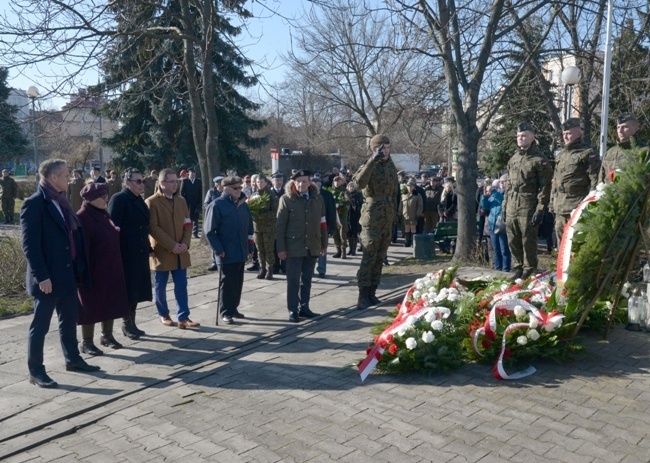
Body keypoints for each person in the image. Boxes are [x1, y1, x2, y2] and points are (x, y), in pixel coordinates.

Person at [21, 159, 99, 389]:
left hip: (66, 274)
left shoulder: (61, 201)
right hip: (48, 278)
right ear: (53, 177)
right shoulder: (34, 204)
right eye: (65, 175)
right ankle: (36, 371)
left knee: (68, 321)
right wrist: (41, 276)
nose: (70, 178)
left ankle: (73, 359)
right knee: (41, 326)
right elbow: (30, 246)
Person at [76, 183, 130, 355]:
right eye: (102, 196)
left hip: (110, 266)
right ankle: (86, 342)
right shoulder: (83, 217)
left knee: (111, 301)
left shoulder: (103, 213)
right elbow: (82, 248)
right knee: (90, 306)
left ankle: (107, 335)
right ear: (91, 199)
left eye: (106, 195)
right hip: (94, 269)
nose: (106, 198)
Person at [146, 168, 199, 329]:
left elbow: (188, 223)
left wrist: (185, 243)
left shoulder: (181, 201)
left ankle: (183, 317)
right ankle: (164, 314)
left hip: (181, 252)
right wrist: (172, 245)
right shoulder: (151, 202)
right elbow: (153, 228)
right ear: (162, 183)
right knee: (160, 286)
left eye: (177, 181)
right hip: (162, 253)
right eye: (172, 181)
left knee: (181, 285)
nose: (175, 184)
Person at [353, 134, 398, 310]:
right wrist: (372, 160)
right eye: (382, 148)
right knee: (369, 257)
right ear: (374, 149)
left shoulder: (390, 166)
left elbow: (394, 193)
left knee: (380, 257)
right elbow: (358, 183)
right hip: (372, 219)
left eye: (388, 147)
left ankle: (372, 293)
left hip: (387, 217)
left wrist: (395, 214)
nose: (385, 151)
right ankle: (362, 296)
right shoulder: (368, 165)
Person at [276, 170, 328, 322]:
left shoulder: (317, 199)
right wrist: (281, 248)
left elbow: (323, 223)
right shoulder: (286, 199)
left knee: (307, 280)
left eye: (304, 181)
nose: (300, 184)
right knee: (293, 281)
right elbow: (280, 226)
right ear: (293, 183)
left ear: (309, 183)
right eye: (297, 181)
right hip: (293, 247)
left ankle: (304, 308)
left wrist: (323, 244)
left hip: (312, 245)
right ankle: (293, 310)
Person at [502, 122, 553, 280]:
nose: (520, 139)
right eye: (518, 136)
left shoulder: (539, 159)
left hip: (528, 203)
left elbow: (545, 186)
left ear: (532, 137)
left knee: (527, 238)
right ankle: (517, 267)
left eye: (524, 136)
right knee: (512, 237)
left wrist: (540, 209)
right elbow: (509, 184)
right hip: (512, 203)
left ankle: (529, 269)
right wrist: (504, 206)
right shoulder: (514, 158)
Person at [107, 168, 153, 340]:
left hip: (139, 250)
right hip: (126, 252)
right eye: (138, 181)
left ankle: (132, 322)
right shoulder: (119, 199)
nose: (142, 184)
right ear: (127, 182)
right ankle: (126, 323)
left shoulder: (138, 199)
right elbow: (113, 227)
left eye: (143, 181)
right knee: (128, 289)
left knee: (136, 289)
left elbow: (143, 226)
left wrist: (148, 247)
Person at [204, 176, 254, 324]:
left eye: (240, 187)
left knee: (238, 282)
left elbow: (249, 227)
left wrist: (250, 246)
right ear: (226, 189)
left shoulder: (243, 204)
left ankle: (233, 308)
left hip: (241, 250)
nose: (239, 190)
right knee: (227, 283)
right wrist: (219, 249)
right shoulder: (217, 205)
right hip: (226, 251)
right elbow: (209, 232)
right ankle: (225, 311)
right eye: (236, 188)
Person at [600, 114, 648, 183]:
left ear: (635, 128)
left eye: (625, 127)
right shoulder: (610, 152)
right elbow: (601, 178)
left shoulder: (644, 151)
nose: (620, 131)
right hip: (608, 192)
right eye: (618, 127)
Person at [250, 174, 279, 280]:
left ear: (266, 183)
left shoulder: (271, 195)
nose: (260, 184)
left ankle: (270, 270)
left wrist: (261, 216)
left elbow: (275, 212)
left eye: (262, 182)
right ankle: (262, 269)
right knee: (259, 250)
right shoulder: (254, 195)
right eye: (258, 182)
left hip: (268, 228)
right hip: (257, 228)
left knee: (268, 249)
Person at [481, 179, 511, 272]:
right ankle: (498, 269)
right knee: (496, 250)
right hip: (492, 225)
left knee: (504, 250)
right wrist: (484, 197)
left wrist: (493, 191)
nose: (501, 184)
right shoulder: (495, 193)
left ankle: (506, 270)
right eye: (500, 182)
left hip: (502, 225)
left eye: (504, 182)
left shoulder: (508, 194)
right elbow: (486, 206)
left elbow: (502, 200)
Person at [311, 177, 337, 278]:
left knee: (323, 248)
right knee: (311, 249)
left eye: (318, 183)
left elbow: (331, 211)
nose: (316, 185)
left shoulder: (327, 195)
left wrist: (332, 227)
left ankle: (321, 270)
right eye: (314, 183)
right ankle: (310, 269)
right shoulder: (308, 194)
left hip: (323, 226)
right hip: (311, 226)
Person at [204, 175, 224, 272]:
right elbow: (206, 204)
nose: (220, 187)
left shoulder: (226, 192)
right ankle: (214, 262)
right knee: (213, 240)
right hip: (213, 219)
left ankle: (220, 260)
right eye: (219, 185)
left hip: (223, 220)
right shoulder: (211, 192)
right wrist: (214, 208)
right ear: (216, 185)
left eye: (221, 184)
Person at [270, 172, 286, 275]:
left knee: (284, 245)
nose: (279, 182)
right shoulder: (269, 193)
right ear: (272, 182)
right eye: (276, 180)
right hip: (272, 223)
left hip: (284, 222)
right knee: (274, 246)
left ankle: (284, 266)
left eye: (280, 180)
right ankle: (275, 266)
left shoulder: (286, 192)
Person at [398, 180, 423, 247]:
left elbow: (420, 206)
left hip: (413, 215)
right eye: (408, 186)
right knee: (406, 228)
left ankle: (413, 242)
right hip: (405, 215)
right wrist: (399, 213)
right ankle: (407, 242)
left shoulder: (417, 195)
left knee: (413, 228)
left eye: (411, 186)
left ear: (413, 187)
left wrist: (418, 214)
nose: (409, 188)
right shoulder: (403, 195)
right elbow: (401, 205)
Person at [179, 167, 202, 238]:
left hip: (196, 202)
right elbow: (181, 193)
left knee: (195, 218)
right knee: (187, 218)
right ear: (189, 173)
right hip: (187, 203)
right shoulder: (185, 181)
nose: (193, 174)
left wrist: (199, 203)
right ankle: (186, 233)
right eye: (191, 173)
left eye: (194, 173)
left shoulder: (198, 181)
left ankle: (195, 233)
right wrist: (184, 201)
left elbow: (200, 193)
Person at [331, 175, 350, 259]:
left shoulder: (344, 191)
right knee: (334, 233)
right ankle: (338, 250)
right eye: (335, 181)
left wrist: (341, 203)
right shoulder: (330, 191)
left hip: (342, 214)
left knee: (342, 233)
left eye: (338, 181)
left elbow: (348, 200)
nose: (336, 182)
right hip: (333, 215)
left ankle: (343, 251)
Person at [346, 181, 363, 256]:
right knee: (349, 233)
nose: (351, 188)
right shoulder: (346, 194)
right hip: (347, 215)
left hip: (355, 216)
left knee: (354, 233)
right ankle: (350, 249)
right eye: (350, 186)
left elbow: (359, 205)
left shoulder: (358, 195)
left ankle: (353, 250)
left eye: (353, 186)